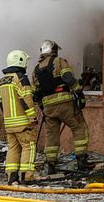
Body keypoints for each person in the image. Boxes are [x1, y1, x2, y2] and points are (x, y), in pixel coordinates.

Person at [34, 41, 91, 173]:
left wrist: (43, 108)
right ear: (54, 51)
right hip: (64, 104)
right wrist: (79, 93)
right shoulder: (59, 61)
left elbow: (36, 93)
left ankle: (50, 165)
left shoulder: (36, 69)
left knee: (52, 135)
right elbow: (68, 77)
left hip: (48, 108)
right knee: (79, 128)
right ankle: (81, 161)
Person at [0, 50, 39, 184]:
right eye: (25, 62)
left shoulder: (3, 81)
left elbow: (1, 103)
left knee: (13, 148)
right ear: (20, 61)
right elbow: (26, 99)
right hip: (23, 122)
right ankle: (26, 177)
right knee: (29, 146)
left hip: (9, 123)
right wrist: (32, 117)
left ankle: (11, 177)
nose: (27, 65)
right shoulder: (21, 77)